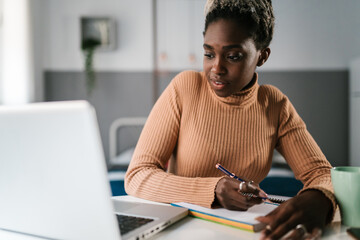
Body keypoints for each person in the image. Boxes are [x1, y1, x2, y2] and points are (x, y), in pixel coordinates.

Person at [125, 0, 336, 239]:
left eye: (233, 56)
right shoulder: (185, 88)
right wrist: (213, 189)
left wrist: (319, 198)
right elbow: (137, 175)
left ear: (262, 56)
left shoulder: (275, 105)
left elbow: (322, 173)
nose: (216, 68)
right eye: (208, 54)